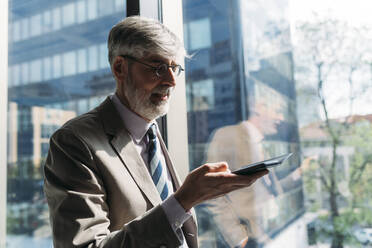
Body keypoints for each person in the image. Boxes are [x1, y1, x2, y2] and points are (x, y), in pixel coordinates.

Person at [43, 16, 268, 248]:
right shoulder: (73, 142)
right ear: (120, 68)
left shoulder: (150, 128)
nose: (171, 81)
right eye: (158, 68)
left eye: (174, 68)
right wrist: (183, 200)